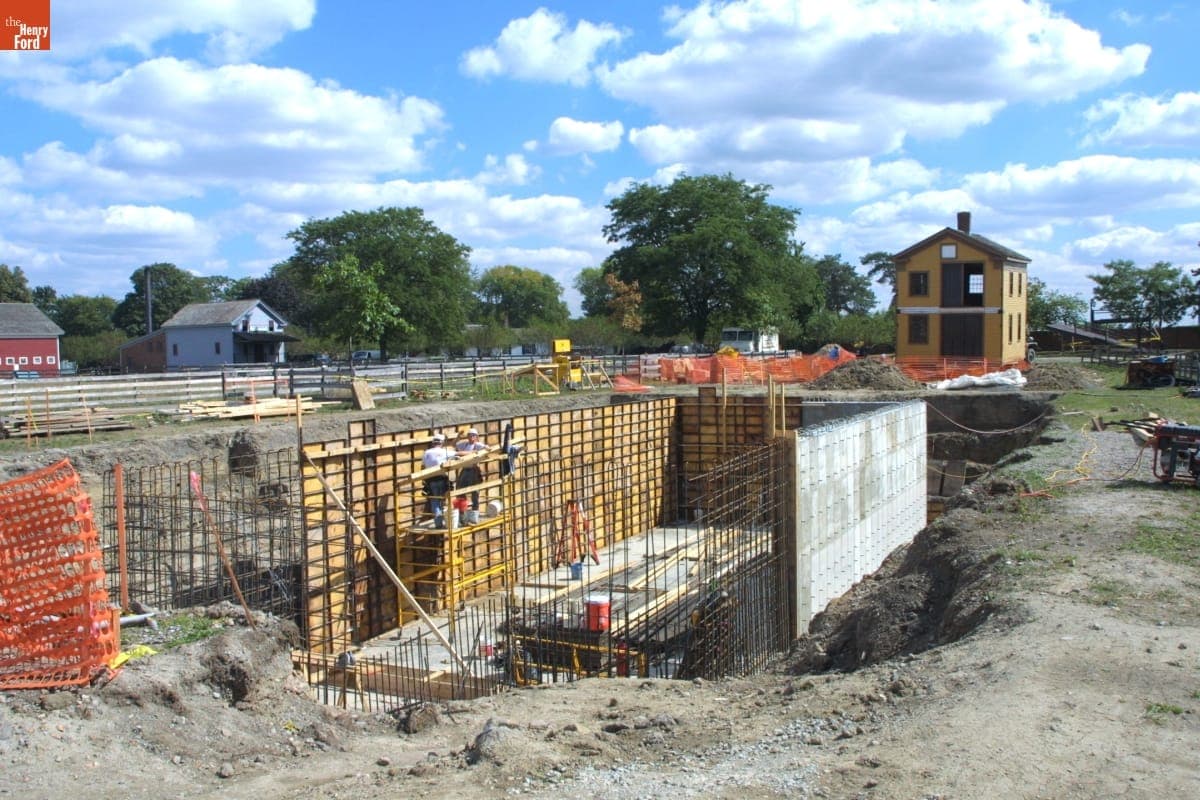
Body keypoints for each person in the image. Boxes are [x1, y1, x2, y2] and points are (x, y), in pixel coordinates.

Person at [422, 433, 455, 526]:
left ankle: (438, 523)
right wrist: (474, 452)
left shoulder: (427, 452)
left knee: (435, 501)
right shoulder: (444, 451)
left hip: (430, 480)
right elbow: (458, 453)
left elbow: (423, 467)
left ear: (433, 443)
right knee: (443, 499)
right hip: (442, 479)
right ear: (442, 443)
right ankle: (445, 522)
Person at [455, 427, 487, 516]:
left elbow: (487, 448)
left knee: (475, 491)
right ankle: (462, 511)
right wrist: (458, 436)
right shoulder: (464, 444)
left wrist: (483, 451)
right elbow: (455, 445)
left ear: (476, 437)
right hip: (465, 469)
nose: (471, 437)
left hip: (474, 470)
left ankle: (475, 511)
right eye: (470, 435)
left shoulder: (478, 445)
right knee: (460, 489)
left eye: (473, 435)